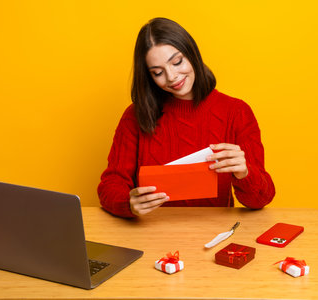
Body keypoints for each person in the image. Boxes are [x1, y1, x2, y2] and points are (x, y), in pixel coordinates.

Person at [98, 17, 275, 218]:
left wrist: (245, 173)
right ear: (149, 77)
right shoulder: (135, 116)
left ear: (192, 54)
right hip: (151, 234)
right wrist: (128, 203)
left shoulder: (236, 112)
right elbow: (109, 186)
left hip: (214, 235)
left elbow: (262, 198)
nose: (172, 77)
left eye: (177, 62)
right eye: (158, 73)